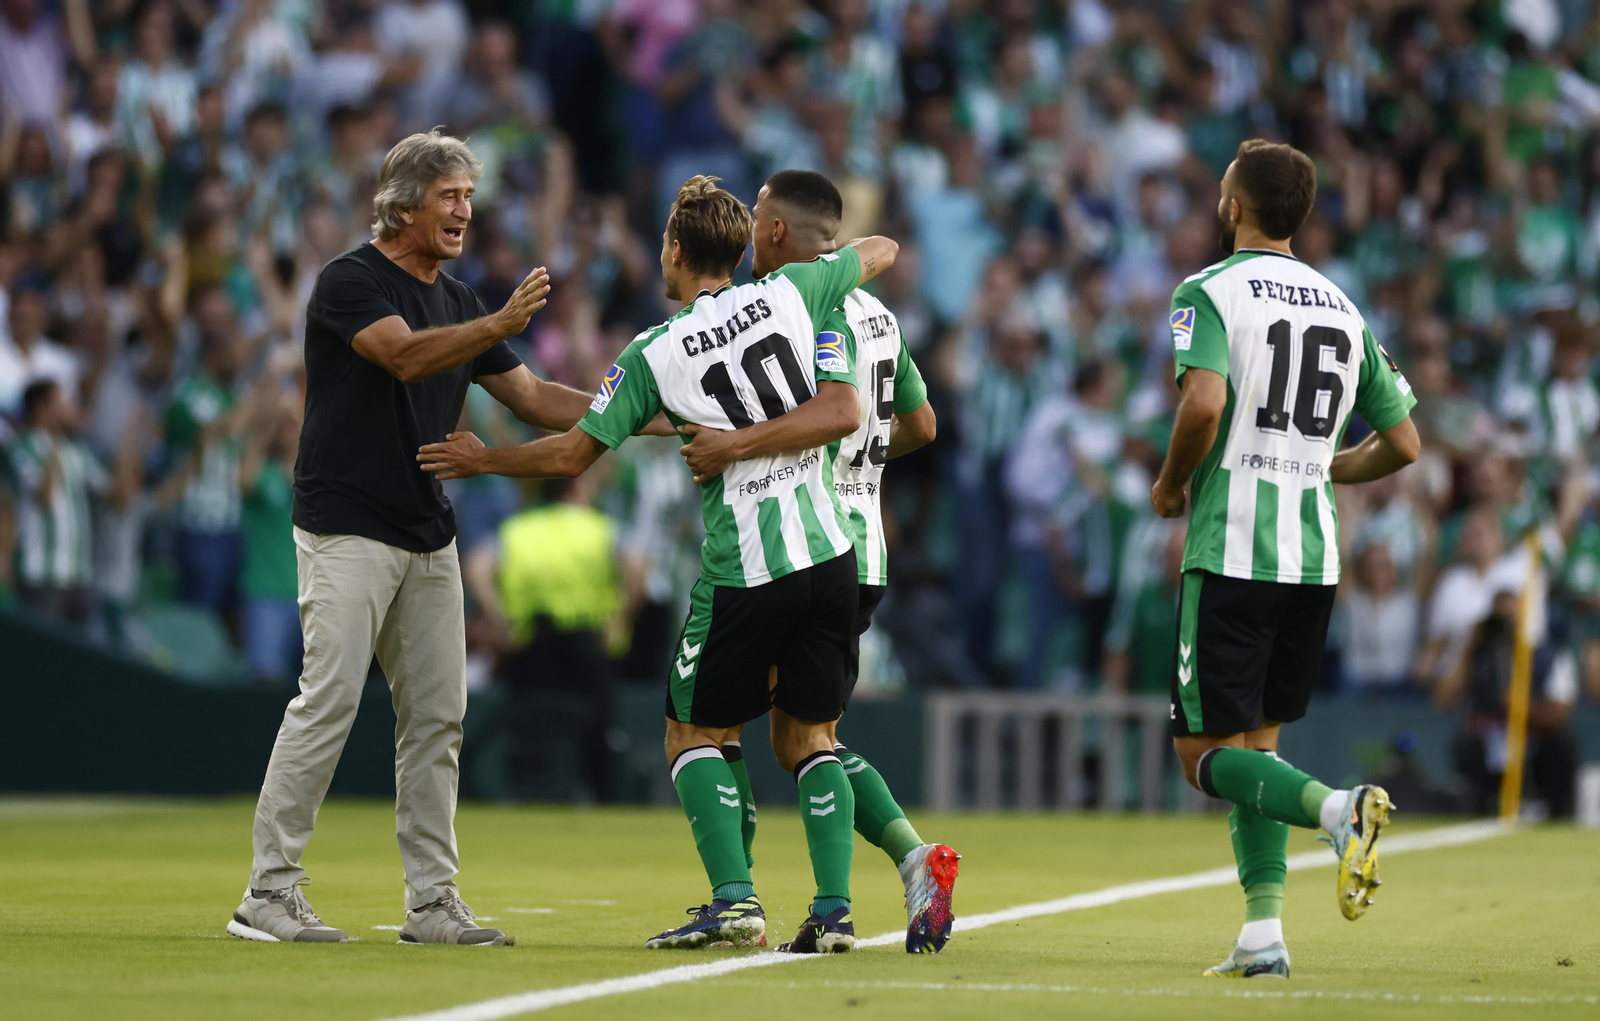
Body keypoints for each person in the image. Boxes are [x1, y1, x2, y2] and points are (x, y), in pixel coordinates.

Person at [417, 175, 898, 953]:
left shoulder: (654, 350)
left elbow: (574, 450)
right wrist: (837, 259)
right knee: (813, 737)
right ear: (742, 249)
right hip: (831, 553)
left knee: (690, 731)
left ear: (674, 250)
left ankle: (735, 900)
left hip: (747, 566)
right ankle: (835, 911)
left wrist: (485, 461)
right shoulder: (792, 291)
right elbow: (880, 249)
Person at [229, 129, 599, 947]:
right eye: (449, 196)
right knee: (328, 699)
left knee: (438, 715)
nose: (465, 209)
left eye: (469, 195)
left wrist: (636, 407)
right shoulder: (349, 280)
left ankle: (432, 901)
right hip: (344, 520)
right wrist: (498, 319)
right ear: (402, 205)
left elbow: (534, 398)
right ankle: (267, 891)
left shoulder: (463, 302)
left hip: (428, 531)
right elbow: (400, 356)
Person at [1149, 140, 1421, 979]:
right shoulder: (1344, 306)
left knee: (1202, 757)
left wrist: (1169, 486)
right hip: (1311, 556)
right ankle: (1263, 935)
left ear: (1233, 207)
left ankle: (1337, 809)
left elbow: (1203, 402)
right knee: (1255, 752)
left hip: (1231, 548)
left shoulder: (1206, 292)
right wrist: (1327, 466)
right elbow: (1404, 441)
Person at [676, 169, 958, 953]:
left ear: (774, 233)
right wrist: (865, 463)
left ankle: (751, 897)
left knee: (743, 730)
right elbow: (923, 424)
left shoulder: (805, 310)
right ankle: (896, 869)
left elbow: (822, 410)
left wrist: (809, 459)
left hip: (803, 540)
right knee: (805, 734)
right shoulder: (879, 315)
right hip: (862, 546)